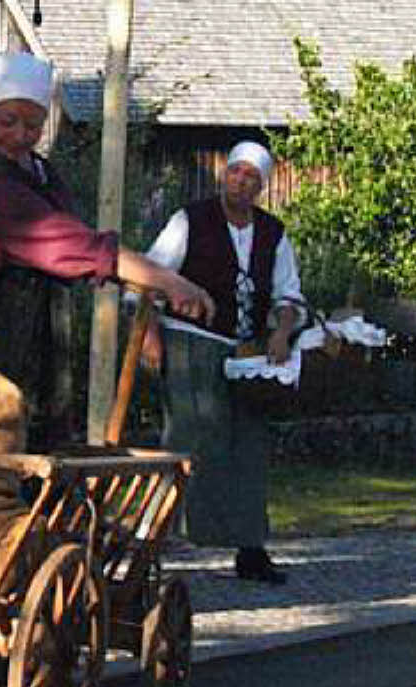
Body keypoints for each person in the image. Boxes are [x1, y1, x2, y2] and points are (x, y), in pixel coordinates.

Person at [0, 51, 215, 450]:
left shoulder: (33, 172)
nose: (20, 134)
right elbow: (68, 244)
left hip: (19, 372)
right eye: (8, 121)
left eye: (33, 124)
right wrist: (165, 279)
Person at [139, 140, 305, 584]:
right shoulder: (189, 220)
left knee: (249, 444)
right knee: (190, 439)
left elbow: (289, 294)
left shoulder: (273, 232)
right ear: (224, 175)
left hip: (247, 352)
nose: (242, 181)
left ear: (261, 185)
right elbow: (150, 277)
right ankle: (158, 537)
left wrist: (282, 333)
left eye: (252, 176)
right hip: (191, 343)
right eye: (236, 172)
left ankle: (251, 549)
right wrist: (151, 333)